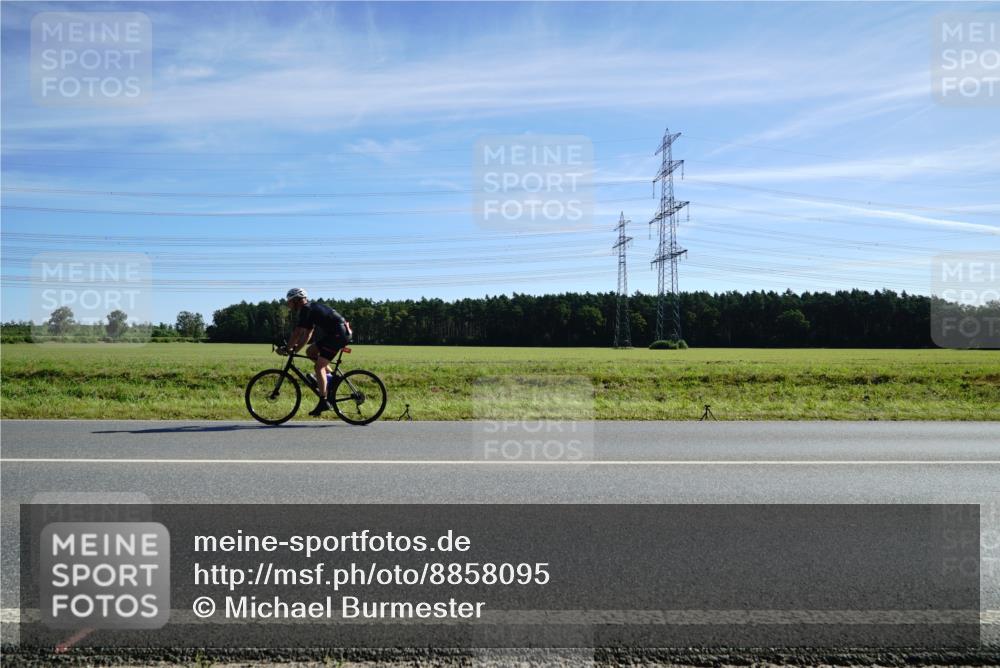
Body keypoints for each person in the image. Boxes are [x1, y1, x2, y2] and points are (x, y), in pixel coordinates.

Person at [280, 288, 352, 416]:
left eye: (290, 301)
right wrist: (294, 350)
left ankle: (323, 401)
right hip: (337, 333)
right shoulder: (309, 309)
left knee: (319, 367)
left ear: (297, 300)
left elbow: (297, 333)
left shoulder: (306, 309)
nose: (288, 304)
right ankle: (333, 378)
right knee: (310, 351)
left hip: (338, 335)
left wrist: (287, 348)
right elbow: (307, 334)